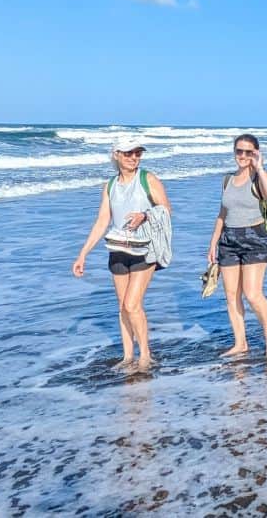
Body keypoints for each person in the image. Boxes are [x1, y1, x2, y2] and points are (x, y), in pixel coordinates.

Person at [72, 136, 171, 373]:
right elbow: (102, 221)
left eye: (138, 153)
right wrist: (83, 254)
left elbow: (166, 209)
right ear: (116, 154)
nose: (134, 158)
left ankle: (145, 354)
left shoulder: (148, 179)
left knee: (132, 304)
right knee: (122, 306)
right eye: (128, 153)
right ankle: (128, 356)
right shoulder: (110, 185)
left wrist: (145, 216)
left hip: (144, 249)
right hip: (117, 249)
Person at [206, 134, 267, 357]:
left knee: (252, 293)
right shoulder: (227, 180)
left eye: (248, 152)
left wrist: (259, 168)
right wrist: (213, 243)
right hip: (228, 240)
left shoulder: (260, 177)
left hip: (255, 238)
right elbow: (222, 213)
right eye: (239, 151)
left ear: (256, 153)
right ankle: (241, 343)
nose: (243, 156)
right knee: (231, 295)